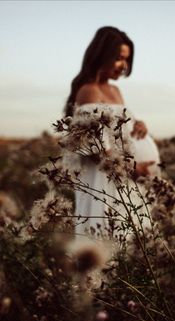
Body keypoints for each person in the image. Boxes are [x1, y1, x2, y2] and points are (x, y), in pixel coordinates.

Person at [63, 26, 161, 237]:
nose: (123, 66)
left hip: (125, 178)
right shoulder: (88, 91)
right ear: (102, 55)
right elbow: (95, 144)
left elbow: (119, 127)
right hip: (105, 179)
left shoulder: (115, 90)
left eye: (127, 60)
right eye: (118, 58)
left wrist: (139, 123)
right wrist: (132, 168)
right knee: (109, 240)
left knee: (132, 239)